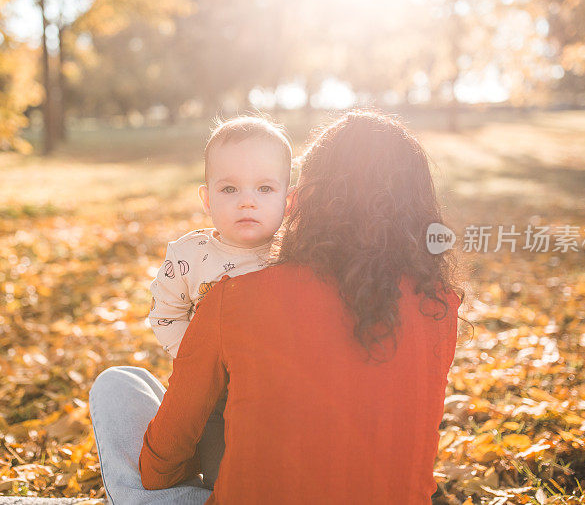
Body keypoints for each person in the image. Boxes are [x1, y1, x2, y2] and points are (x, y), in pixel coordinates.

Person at [88, 109, 463, 504]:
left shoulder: (235, 296)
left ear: (300, 199)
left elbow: (163, 460)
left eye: (265, 189)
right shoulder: (440, 305)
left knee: (120, 384)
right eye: (229, 189)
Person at [147, 115, 294, 489]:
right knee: (221, 474)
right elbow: (166, 312)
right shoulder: (189, 255)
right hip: (211, 393)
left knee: (274, 468)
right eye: (229, 190)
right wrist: (198, 358)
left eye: (265, 188)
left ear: (287, 200)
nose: (247, 201)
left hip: (274, 391)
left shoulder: (293, 256)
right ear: (206, 198)